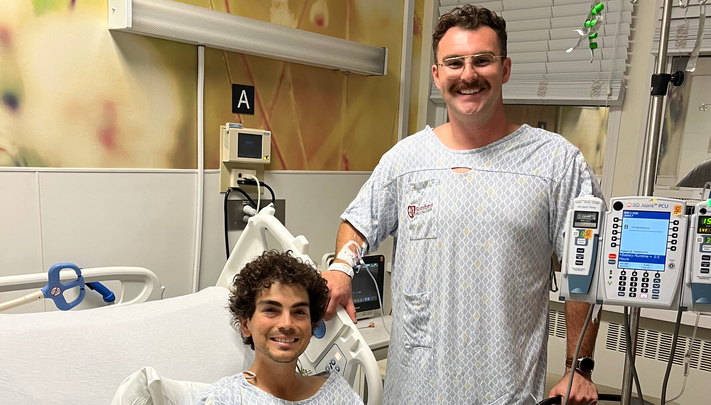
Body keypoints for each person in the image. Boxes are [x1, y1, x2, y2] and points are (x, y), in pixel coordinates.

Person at [322, 5, 602, 405]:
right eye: (454, 63)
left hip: (506, 392)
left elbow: (586, 269)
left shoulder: (556, 163)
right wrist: (341, 268)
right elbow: (358, 221)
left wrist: (579, 368)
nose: (468, 75)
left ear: (505, 69)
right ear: (437, 75)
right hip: (414, 391)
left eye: (482, 60)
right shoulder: (406, 160)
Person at [194, 250, 363, 405]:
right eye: (270, 310)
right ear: (245, 324)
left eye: (299, 312)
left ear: (312, 326)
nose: (287, 324)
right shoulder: (223, 399)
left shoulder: (338, 394)